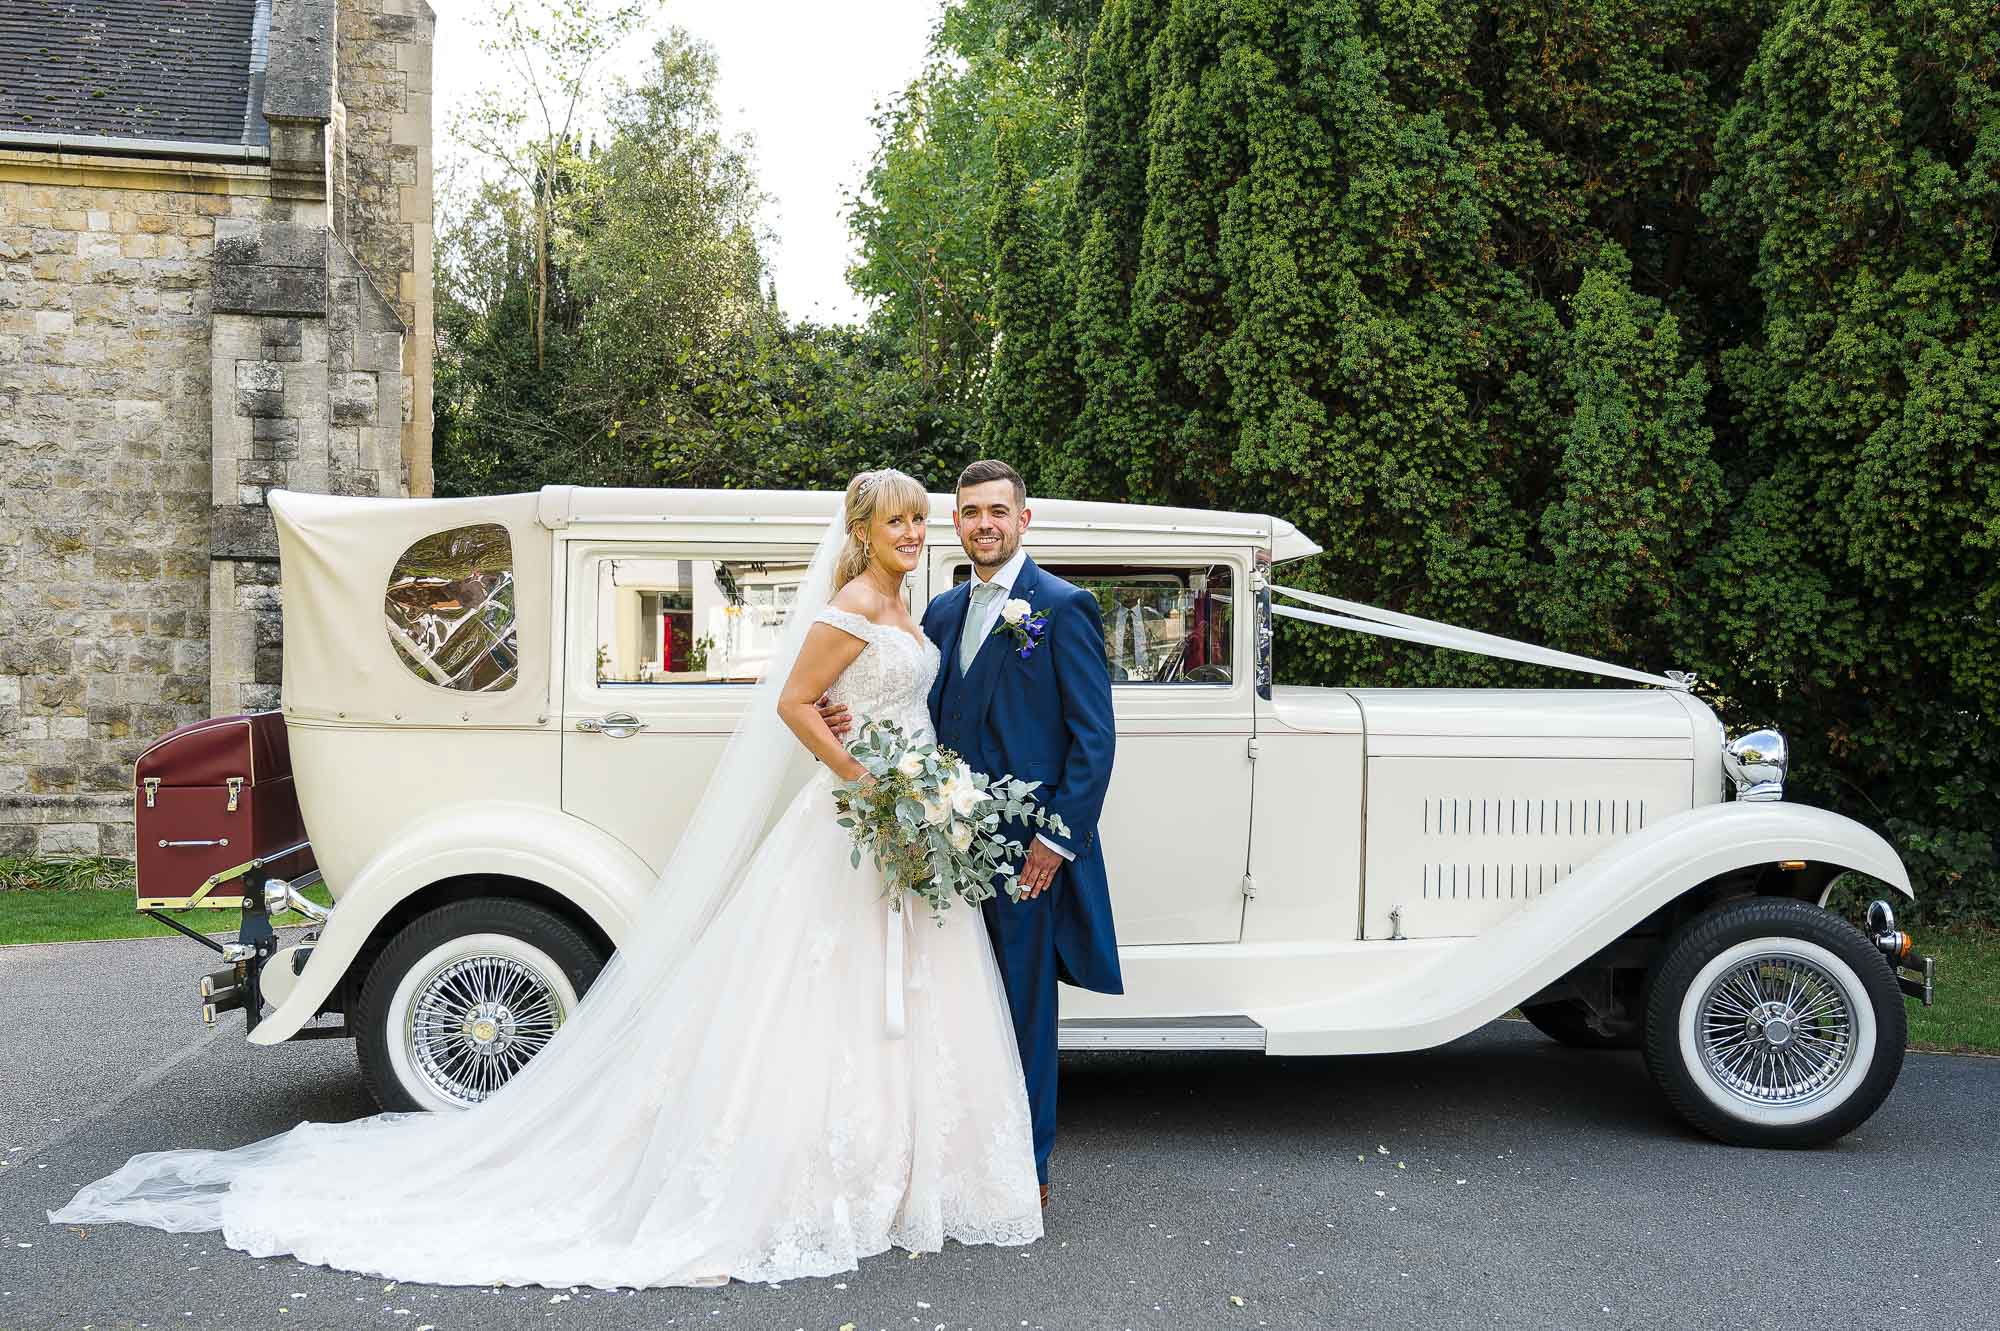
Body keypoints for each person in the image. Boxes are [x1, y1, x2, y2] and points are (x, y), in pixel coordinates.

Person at [49, 469, 1044, 1289]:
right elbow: (795, 698)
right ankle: (822, 1162)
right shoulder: (848, 606)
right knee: (817, 989)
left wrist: (911, 784)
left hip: (906, 817)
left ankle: (911, 1160)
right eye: (899, 520)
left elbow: (866, 701)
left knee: (908, 991)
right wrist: (867, 780)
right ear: (862, 528)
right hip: (860, 816)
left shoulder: (913, 605)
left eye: (923, 519)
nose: (915, 532)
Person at [820, 459, 1122, 1207]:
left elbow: (1095, 739)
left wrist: (1058, 840)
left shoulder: (1062, 606)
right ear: (957, 522)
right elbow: (906, 702)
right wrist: (838, 717)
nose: (982, 523)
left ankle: (1028, 1167)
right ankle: (948, 1158)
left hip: (1024, 850)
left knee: (1021, 1007)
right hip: (940, 837)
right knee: (957, 1004)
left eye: (997, 510)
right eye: (968, 511)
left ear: (1024, 519)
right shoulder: (944, 611)